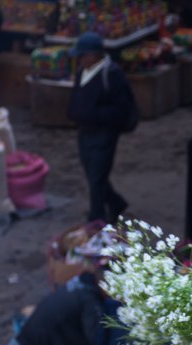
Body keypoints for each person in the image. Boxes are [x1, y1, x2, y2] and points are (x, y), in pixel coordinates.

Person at [67, 32, 136, 224]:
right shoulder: (82, 72)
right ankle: (116, 203)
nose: (79, 60)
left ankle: (96, 218)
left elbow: (121, 109)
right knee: (91, 173)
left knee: (97, 176)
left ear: (93, 55)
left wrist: (96, 116)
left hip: (104, 133)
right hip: (85, 130)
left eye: (82, 56)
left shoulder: (112, 75)